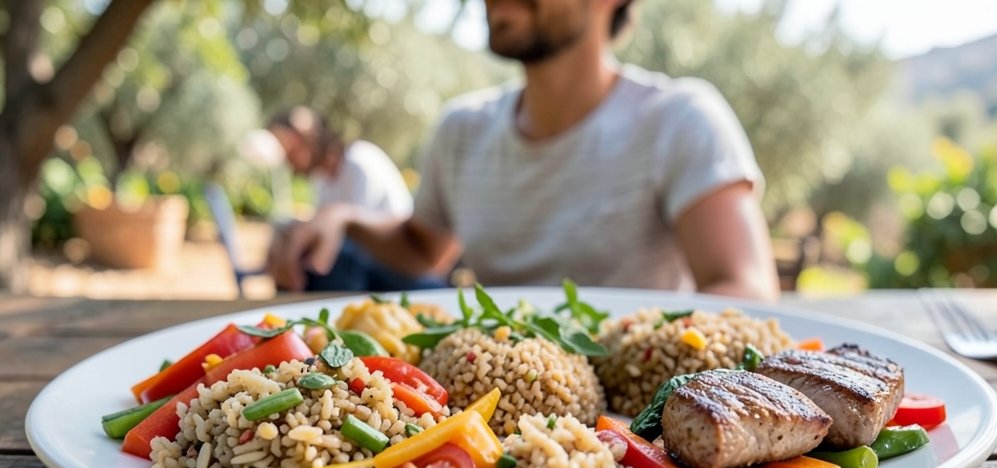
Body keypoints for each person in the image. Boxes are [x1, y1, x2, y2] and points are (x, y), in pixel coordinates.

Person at [276, 0, 780, 300]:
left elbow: (746, 293)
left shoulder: (680, 119)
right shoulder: (461, 129)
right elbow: (421, 250)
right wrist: (344, 220)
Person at [264, 106, 443, 291]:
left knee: (342, 258)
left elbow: (353, 237)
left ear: (306, 139)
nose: (286, 157)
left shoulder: (360, 161)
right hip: (369, 269)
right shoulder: (321, 181)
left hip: (405, 270)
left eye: (288, 146)